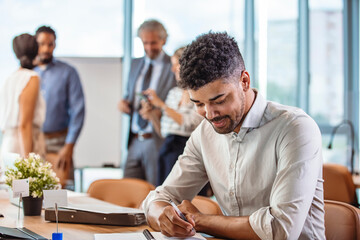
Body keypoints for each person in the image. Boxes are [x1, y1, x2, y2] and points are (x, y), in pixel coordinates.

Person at [142, 32, 325, 239]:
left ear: (244, 81)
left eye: (219, 100)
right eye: (199, 104)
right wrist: (162, 214)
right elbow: (161, 197)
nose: (209, 115)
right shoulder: (204, 133)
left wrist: (200, 220)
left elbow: (281, 229)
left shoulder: (295, 128)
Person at [118, 19, 176, 186]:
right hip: (135, 139)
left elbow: (180, 102)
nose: (149, 48)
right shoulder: (136, 64)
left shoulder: (173, 66)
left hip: (157, 139)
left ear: (163, 40)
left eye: (153, 43)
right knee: (128, 189)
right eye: (145, 43)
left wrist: (159, 111)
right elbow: (130, 95)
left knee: (156, 191)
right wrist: (125, 104)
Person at [141, 47, 203, 186]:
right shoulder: (173, 93)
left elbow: (190, 123)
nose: (173, 69)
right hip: (167, 149)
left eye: (176, 64)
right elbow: (163, 131)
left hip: (187, 150)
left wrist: (162, 106)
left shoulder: (199, 93)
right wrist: (152, 114)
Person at [34, 26, 85, 188]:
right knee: (33, 193)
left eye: (50, 44)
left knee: (62, 193)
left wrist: (69, 145)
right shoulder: (29, 72)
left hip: (60, 143)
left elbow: (78, 110)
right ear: (35, 44)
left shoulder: (68, 72)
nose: (46, 49)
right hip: (34, 141)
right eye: (42, 44)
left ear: (55, 45)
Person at [0, 33, 46, 167]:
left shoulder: (9, 78)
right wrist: (28, 163)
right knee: (25, 187)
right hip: (23, 146)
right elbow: (25, 124)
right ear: (36, 50)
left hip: (9, 144)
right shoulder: (31, 77)